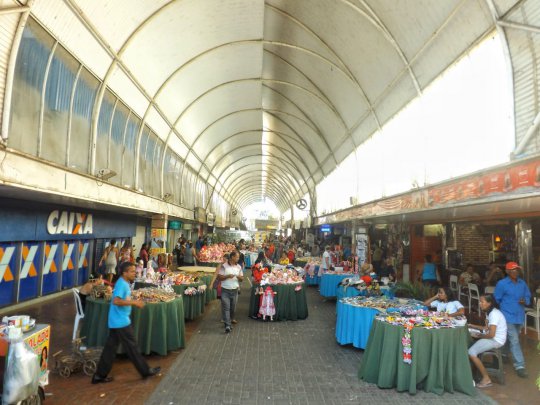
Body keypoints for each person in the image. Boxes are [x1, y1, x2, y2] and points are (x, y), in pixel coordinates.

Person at [92, 261, 160, 384]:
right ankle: (145, 371)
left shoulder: (123, 283)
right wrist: (134, 302)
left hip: (117, 321)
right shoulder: (122, 284)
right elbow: (116, 301)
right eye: (132, 271)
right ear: (125, 273)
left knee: (110, 349)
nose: (135, 273)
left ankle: (99, 375)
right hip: (120, 322)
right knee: (132, 347)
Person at [494, 261, 531, 378]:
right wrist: (506, 307)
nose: (516, 272)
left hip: (519, 316)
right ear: (507, 271)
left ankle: (504, 354)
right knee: (514, 339)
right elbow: (497, 299)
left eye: (517, 270)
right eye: (513, 270)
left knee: (511, 337)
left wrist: (525, 301)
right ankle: (520, 366)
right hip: (507, 316)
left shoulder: (522, 283)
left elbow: (528, 296)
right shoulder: (502, 284)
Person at [468, 295, 507, 388]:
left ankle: (486, 379)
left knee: (471, 352)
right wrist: (472, 325)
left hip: (496, 340)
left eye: (482, 302)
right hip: (493, 338)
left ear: (489, 303)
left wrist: (480, 336)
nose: (479, 303)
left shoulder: (494, 314)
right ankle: (475, 370)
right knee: (473, 343)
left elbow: (491, 334)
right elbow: (486, 328)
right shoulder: (489, 312)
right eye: (480, 301)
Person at [218, 251, 244, 333]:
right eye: (237, 257)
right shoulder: (224, 266)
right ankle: (227, 325)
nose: (238, 258)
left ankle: (230, 320)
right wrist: (227, 276)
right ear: (232, 257)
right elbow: (219, 277)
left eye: (238, 257)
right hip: (225, 290)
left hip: (235, 290)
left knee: (232, 309)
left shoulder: (239, 267)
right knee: (226, 308)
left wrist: (239, 277)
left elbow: (242, 279)